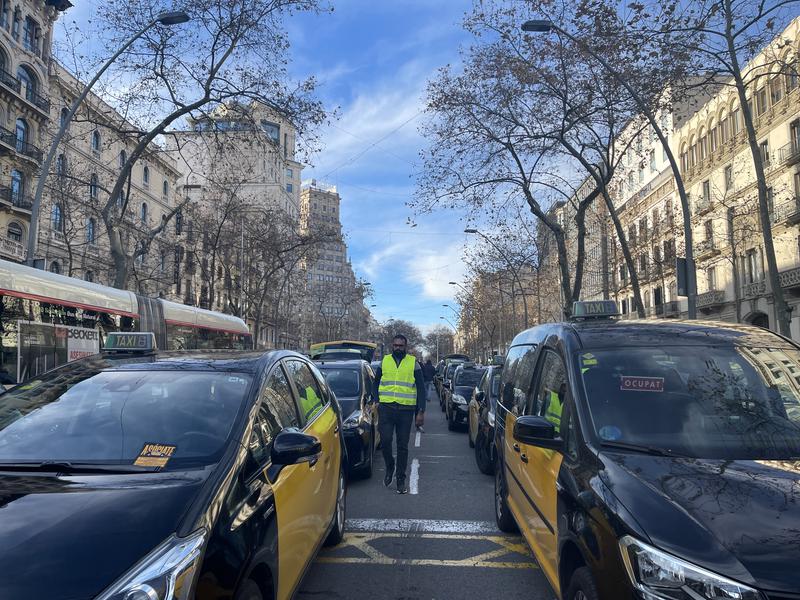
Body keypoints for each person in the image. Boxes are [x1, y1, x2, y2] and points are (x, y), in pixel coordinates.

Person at [373, 334, 426, 494]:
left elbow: (421, 388)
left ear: (405, 347)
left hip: (406, 411)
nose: (397, 348)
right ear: (392, 346)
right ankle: (390, 466)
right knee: (386, 441)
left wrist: (420, 411)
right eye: (395, 345)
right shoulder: (385, 361)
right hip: (386, 408)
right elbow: (375, 383)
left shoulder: (413, 363)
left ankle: (401, 480)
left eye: (400, 346)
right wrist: (376, 400)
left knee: (402, 446)